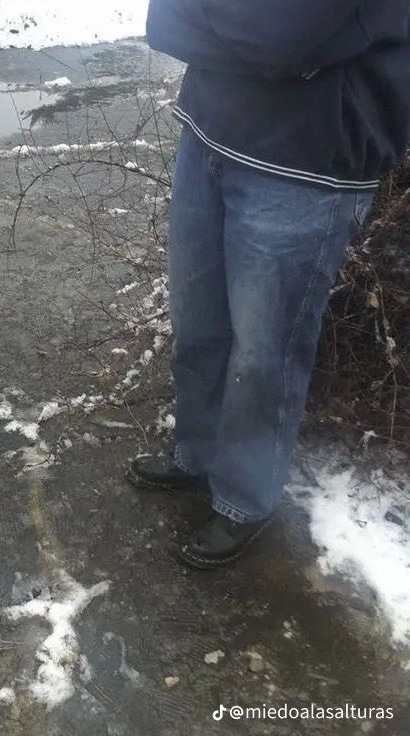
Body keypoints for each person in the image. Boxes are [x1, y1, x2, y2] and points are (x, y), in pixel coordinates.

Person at [131, 1, 410, 568]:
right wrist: (263, 43)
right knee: (199, 320)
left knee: (266, 354)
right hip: (210, 132)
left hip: (307, 162)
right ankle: (198, 455)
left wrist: (243, 36)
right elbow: (165, 21)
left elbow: (280, 36)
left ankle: (244, 498)